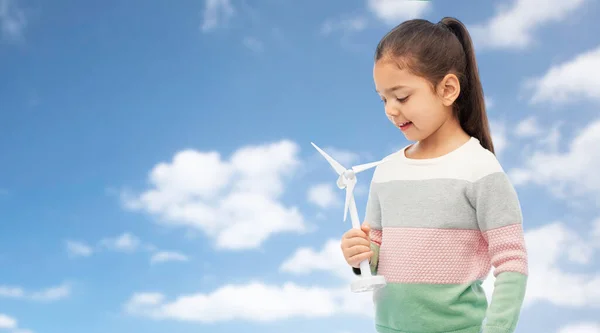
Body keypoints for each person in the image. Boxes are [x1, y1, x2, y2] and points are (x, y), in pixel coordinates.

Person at [340, 17, 528, 333]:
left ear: (448, 89)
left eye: (401, 97)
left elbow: (512, 262)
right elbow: (376, 256)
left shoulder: (480, 170)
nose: (390, 109)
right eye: (383, 99)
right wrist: (359, 255)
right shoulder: (386, 172)